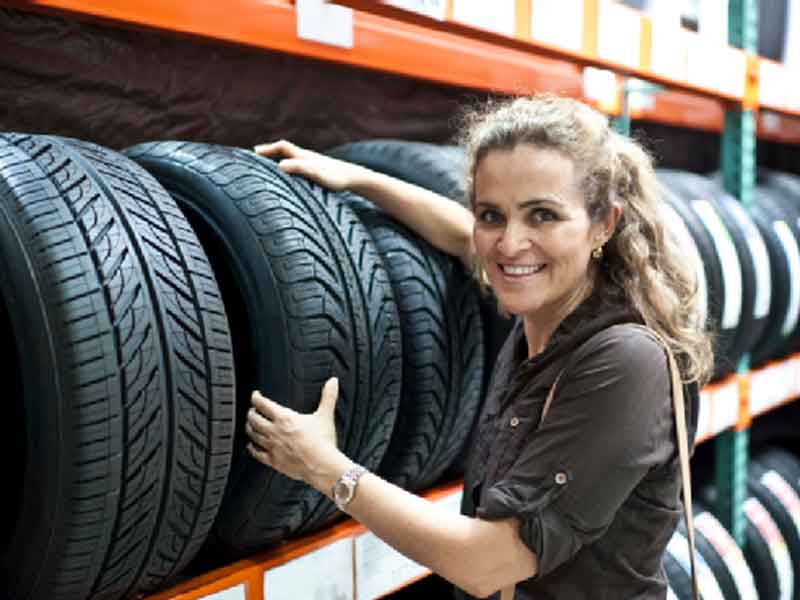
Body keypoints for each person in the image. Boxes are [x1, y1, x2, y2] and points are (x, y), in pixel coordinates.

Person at [245, 93, 713, 599]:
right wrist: (357, 179)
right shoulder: (546, 304)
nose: (510, 244)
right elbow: (469, 242)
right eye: (492, 214)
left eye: (543, 216)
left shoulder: (625, 363)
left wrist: (324, 466)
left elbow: (487, 562)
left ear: (604, 223)